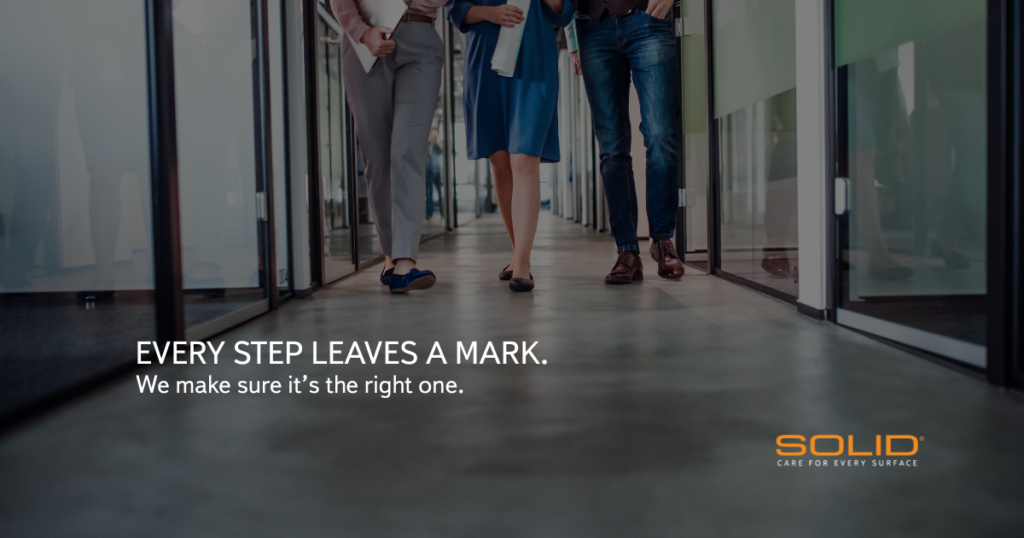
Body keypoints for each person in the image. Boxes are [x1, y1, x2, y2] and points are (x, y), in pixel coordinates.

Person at [447, 0, 576, 292]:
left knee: (524, 156)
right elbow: (455, 10)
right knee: (500, 159)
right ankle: (519, 253)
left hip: (534, 56)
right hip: (485, 55)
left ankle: (522, 265)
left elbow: (565, 11)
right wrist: (491, 13)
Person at [331, 0, 447, 293]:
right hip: (366, 39)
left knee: (407, 149)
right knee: (378, 156)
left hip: (421, 38)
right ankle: (390, 256)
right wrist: (361, 32)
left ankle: (405, 258)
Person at [565, 0, 684, 284]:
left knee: (660, 135)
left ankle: (663, 240)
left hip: (649, 19)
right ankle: (627, 251)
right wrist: (572, 39)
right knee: (611, 148)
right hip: (591, 26)